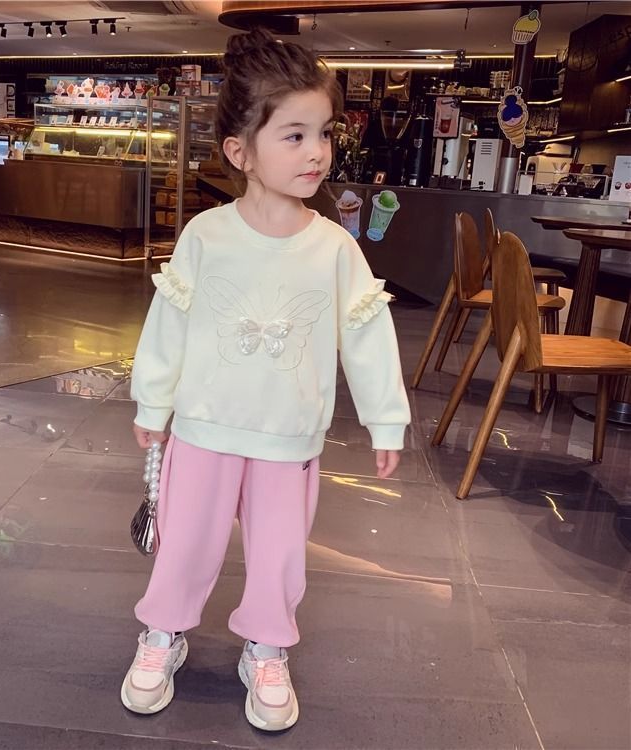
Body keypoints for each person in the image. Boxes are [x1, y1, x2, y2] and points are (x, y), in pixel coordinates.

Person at [121, 28, 411, 731]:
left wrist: (386, 418)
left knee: (280, 553)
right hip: (203, 427)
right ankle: (164, 632)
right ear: (239, 151)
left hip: (288, 435)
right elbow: (171, 322)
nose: (317, 152)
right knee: (186, 541)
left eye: (325, 133)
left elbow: (367, 335)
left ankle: (268, 645)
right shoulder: (206, 236)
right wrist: (153, 403)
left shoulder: (334, 247)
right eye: (295, 135)